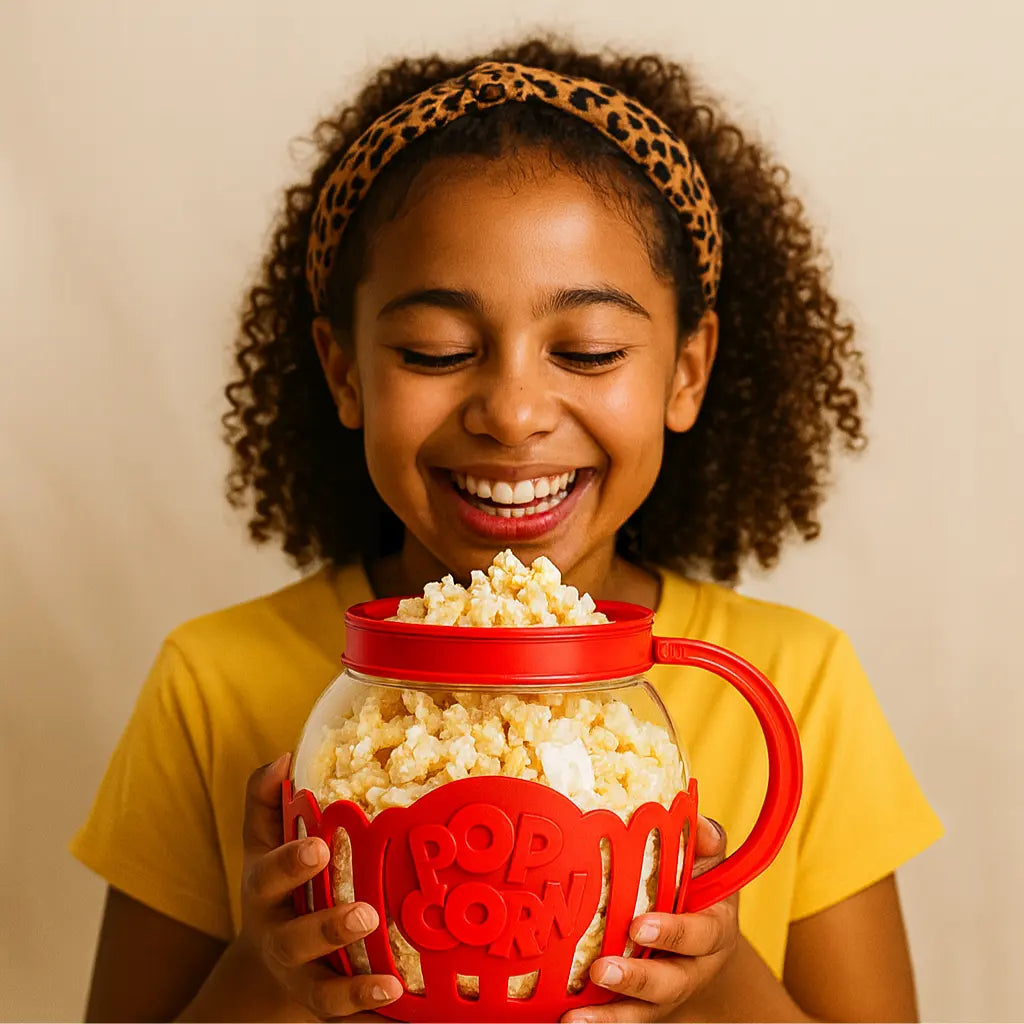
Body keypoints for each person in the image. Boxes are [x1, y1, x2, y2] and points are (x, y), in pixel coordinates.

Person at [72, 37, 942, 1023]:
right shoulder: (210, 683)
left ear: (687, 369)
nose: (513, 410)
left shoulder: (798, 683)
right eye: (435, 350)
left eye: (588, 348)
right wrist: (263, 974)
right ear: (345, 370)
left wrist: (715, 964)